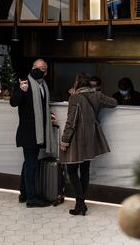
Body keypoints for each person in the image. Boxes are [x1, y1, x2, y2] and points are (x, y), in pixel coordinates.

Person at [59, 72, 117, 215]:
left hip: (77, 139)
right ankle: (81, 204)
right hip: (91, 139)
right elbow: (114, 102)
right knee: (85, 169)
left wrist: (64, 141)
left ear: (77, 84)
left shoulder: (75, 98)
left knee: (72, 170)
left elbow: (71, 122)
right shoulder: (97, 95)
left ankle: (80, 203)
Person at [10, 59, 57, 208]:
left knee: (28, 163)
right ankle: (31, 198)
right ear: (31, 68)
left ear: (46, 72)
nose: (38, 69)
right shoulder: (25, 83)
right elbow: (13, 102)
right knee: (31, 165)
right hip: (28, 133)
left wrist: (47, 116)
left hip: (36, 132)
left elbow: (39, 108)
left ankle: (24, 194)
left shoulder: (43, 86)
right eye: (36, 67)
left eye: (42, 68)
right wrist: (21, 91)